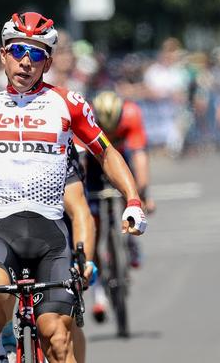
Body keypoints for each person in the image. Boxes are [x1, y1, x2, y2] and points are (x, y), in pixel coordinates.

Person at [0, 12, 146, 363]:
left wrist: (134, 200)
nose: (25, 61)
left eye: (36, 54)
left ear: (47, 62)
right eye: (18, 51)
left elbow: (105, 152)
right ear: (3, 54)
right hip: (2, 229)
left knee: (59, 341)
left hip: (52, 237)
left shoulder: (68, 103)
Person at [0, 124, 95, 363]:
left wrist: (85, 259)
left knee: (63, 330)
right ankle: (4, 336)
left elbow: (79, 211)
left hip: (57, 229)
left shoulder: (49, 150)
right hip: (8, 233)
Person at [87, 90, 153, 322]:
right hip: (93, 161)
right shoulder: (87, 117)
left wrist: (142, 194)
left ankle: (131, 241)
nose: (113, 133)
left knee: (132, 191)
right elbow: (78, 164)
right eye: (108, 129)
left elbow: (140, 157)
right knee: (91, 226)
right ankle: (98, 294)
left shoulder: (132, 115)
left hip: (121, 158)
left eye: (115, 128)